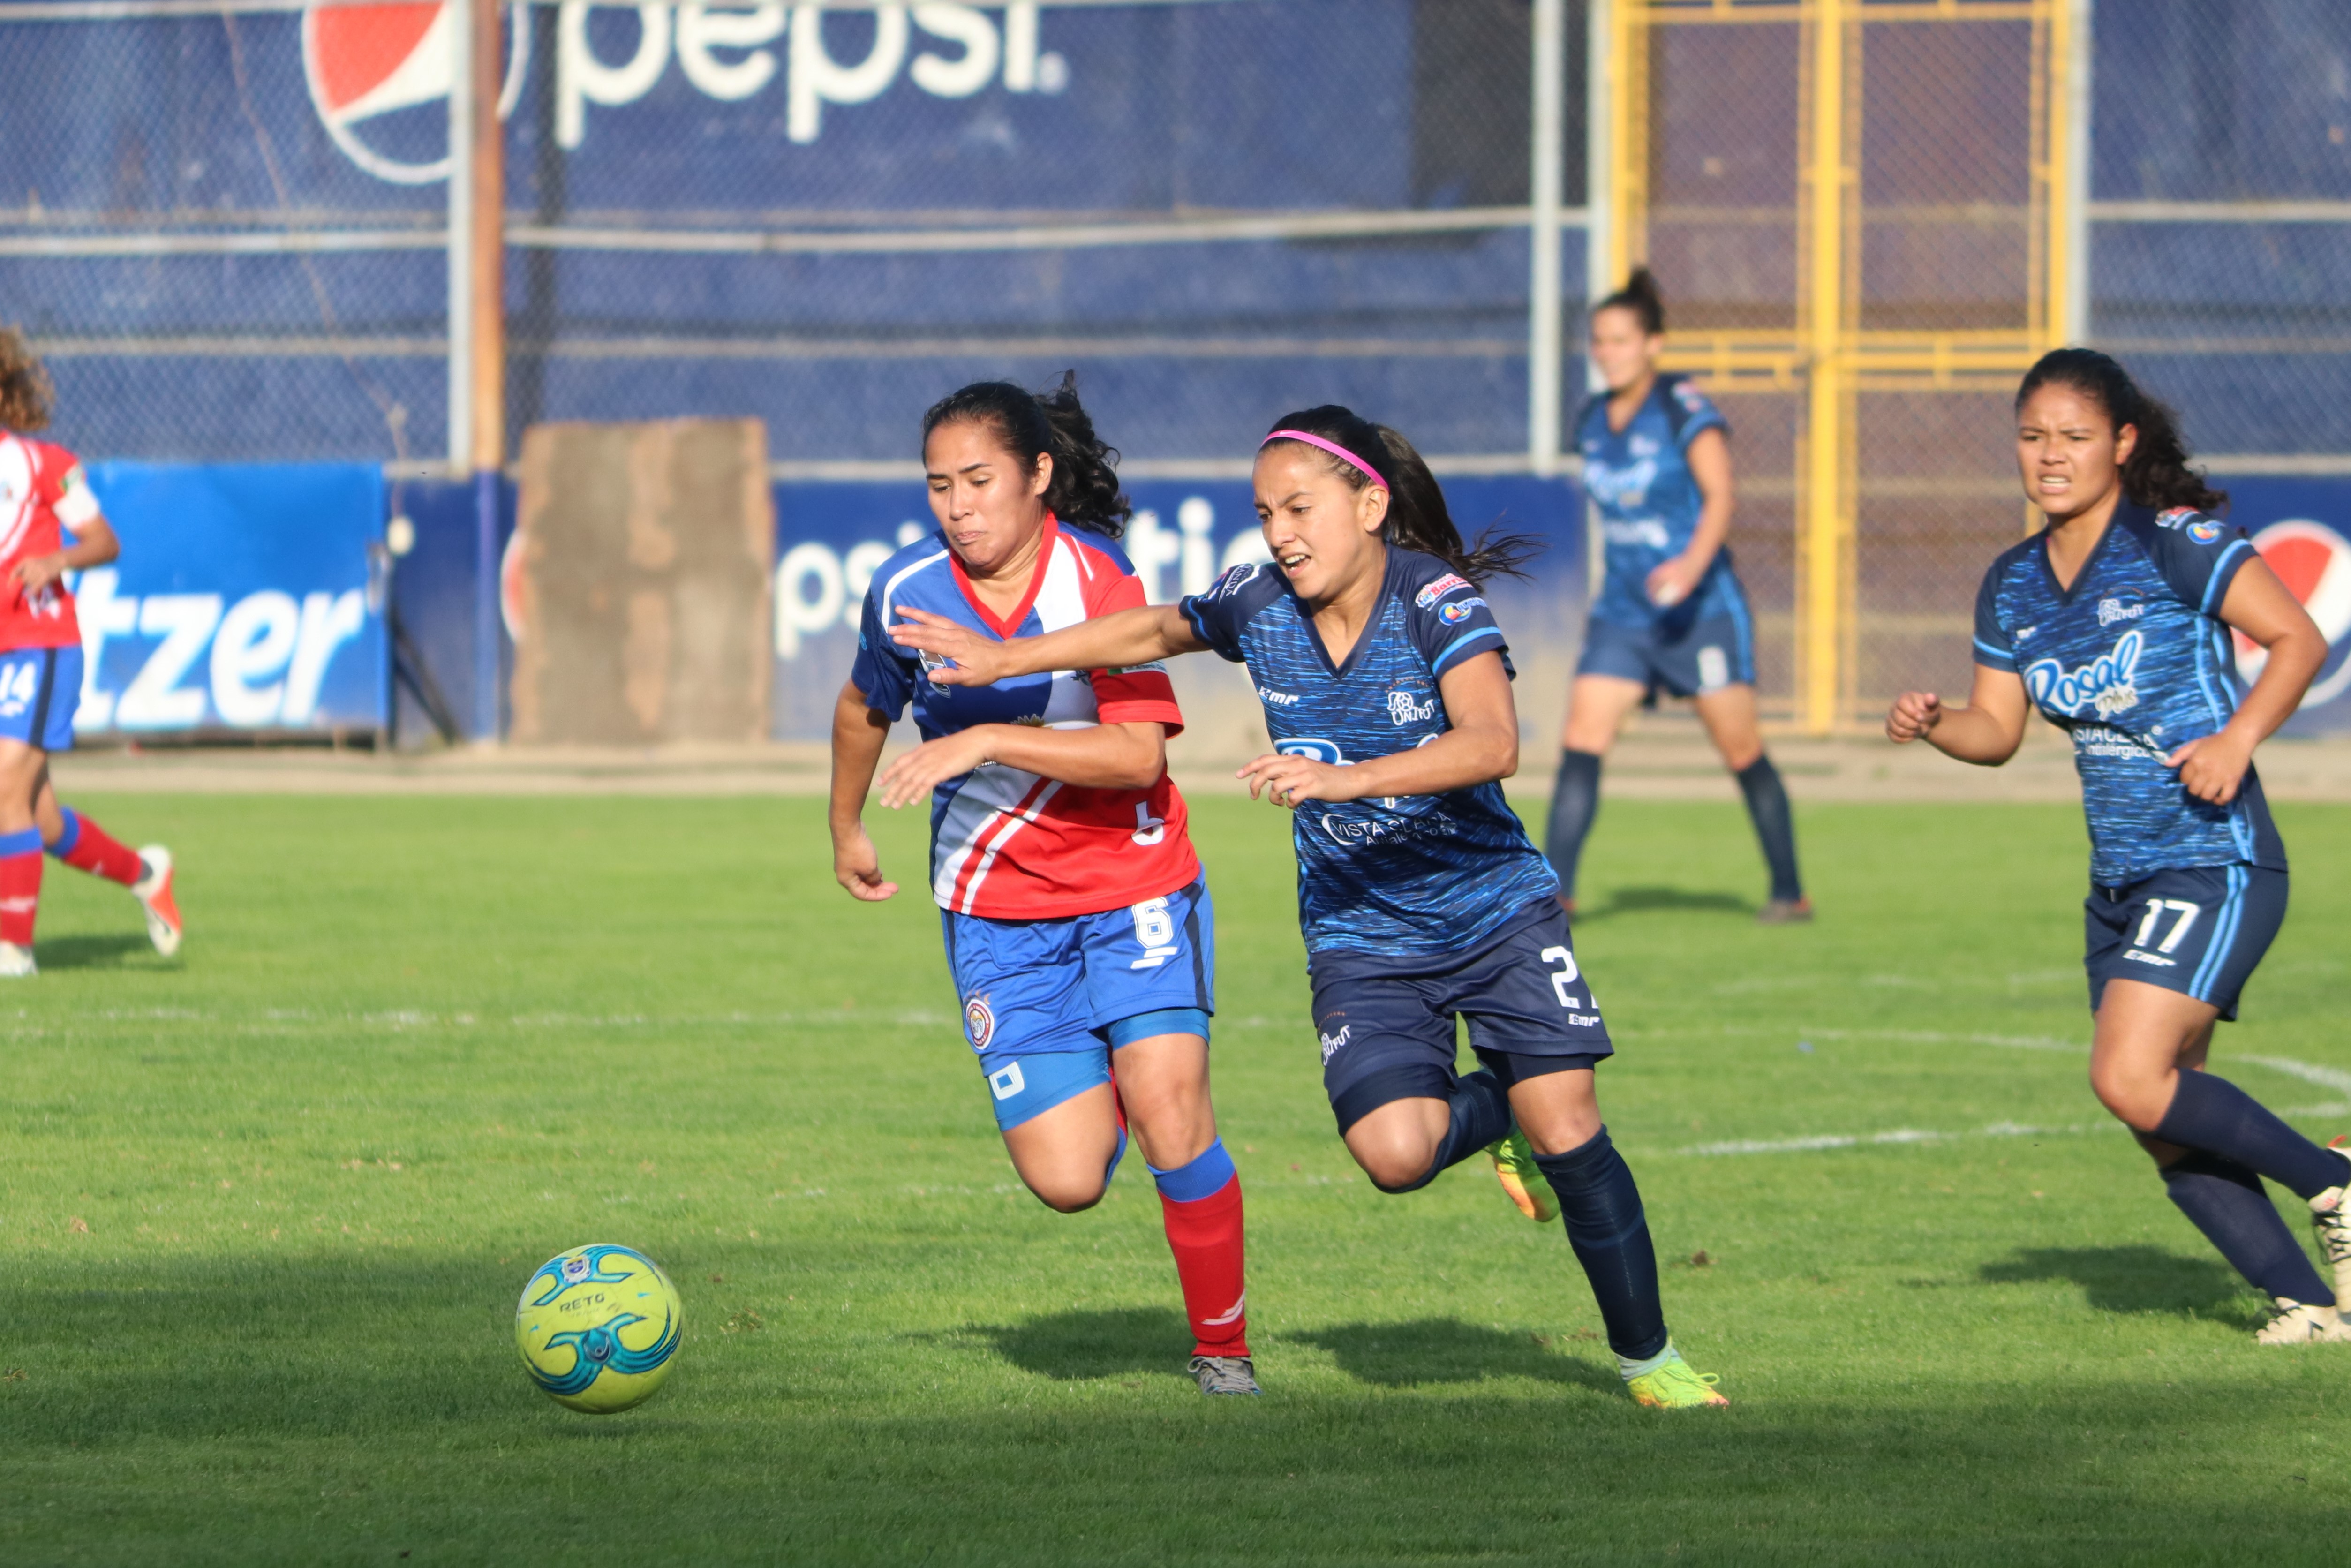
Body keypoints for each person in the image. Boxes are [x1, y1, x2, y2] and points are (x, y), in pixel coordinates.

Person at [891, 405, 1728, 1408]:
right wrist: (1003, 662)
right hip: (1358, 934)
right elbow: (1155, 626)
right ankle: (1499, 1104)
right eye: (1263, 512)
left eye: (1299, 507)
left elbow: (1491, 742)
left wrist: (1347, 780)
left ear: (1368, 504)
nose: (1279, 532)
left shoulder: (1439, 603)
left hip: (1492, 912)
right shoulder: (1258, 602)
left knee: (1572, 1126)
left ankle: (1649, 1361)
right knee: (1393, 1153)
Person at [1887, 347, 2351, 1344]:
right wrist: (1937, 722)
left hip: (2213, 857)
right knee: (2154, 1115)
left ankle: (2337, 1186)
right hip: (2119, 884)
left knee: (2126, 1076)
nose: (2049, 456)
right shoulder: (2011, 583)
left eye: (2073, 437)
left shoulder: (2173, 542)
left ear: (2121, 443)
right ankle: (2306, 1307)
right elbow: (1996, 734)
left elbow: (2299, 640)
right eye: (2031, 436)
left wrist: (2235, 739)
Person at [829, 377, 1256, 1396]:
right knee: (1066, 1179)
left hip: (1132, 883)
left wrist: (981, 731)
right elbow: (862, 707)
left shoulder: (1097, 579)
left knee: (1169, 1109)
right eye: (939, 486)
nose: (958, 505)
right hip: (997, 908)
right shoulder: (903, 592)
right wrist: (843, 824)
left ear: (1038, 476)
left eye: (979, 480)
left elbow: (1137, 758)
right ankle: (1118, 1065)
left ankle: (1223, 1352)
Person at [1544, 269, 1807, 921]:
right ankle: (1552, 895)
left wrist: (1690, 567)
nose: (1607, 353)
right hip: (1625, 614)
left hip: (1699, 612)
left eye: (1620, 341)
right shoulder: (1592, 422)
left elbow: (1720, 495)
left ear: (1653, 345)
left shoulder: (1681, 408)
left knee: (1740, 749)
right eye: (1599, 342)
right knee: (1581, 736)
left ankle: (1788, 891)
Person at [0, 327, 181, 977]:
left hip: (41, 647)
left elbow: (105, 541)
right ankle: (146, 874)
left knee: (3, 794)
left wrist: (58, 559)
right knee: (38, 819)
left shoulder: (48, 465)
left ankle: (13, 949)